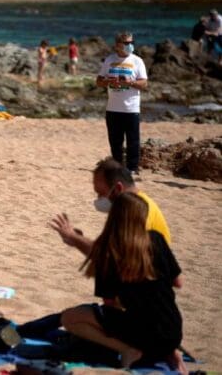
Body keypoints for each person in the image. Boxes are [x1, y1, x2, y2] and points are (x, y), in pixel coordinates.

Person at [60, 193, 185, 372]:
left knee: (70, 317)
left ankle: (127, 350)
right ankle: (169, 351)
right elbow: (178, 282)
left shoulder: (109, 249)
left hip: (146, 334)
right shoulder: (156, 238)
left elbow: (110, 304)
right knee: (154, 317)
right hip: (174, 331)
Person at [49, 157, 171, 257]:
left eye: (101, 193)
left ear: (118, 188)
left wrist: (74, 238)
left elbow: (108, 256)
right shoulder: (139, 203)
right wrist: (78, 239)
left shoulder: (133, 211)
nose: (98, 199)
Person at [97, 32, 148, 174]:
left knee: (133, 141)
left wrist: (130, 82)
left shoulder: (137, 61)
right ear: (117, 45)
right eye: (126, 43)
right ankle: (118, 168)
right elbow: (98, 81)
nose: (130, 45)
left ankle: (132, 168)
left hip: (131, 108)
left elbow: (144, 84)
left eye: (131, 42)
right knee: (115, 142)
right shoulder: (109, 59)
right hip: (113, 108)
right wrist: (108, 81)